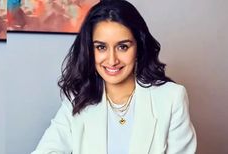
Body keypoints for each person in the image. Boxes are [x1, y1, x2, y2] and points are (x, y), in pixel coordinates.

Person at [31, 0, 197, 153]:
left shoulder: (171, 98)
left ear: (139, 47)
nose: (112, 60)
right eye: (101, 47)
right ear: (89, 50)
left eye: (123, 47)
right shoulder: (77, 99)